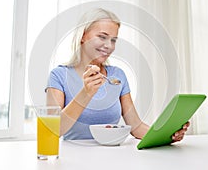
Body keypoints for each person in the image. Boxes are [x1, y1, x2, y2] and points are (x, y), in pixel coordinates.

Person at [45, 8, 189, 141]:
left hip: (114, 156)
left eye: (113, 40)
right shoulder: (59, 76)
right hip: (74, 159)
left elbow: (136, 127)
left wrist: (168, 135)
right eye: (102, 37)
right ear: (83, 36)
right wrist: (86, 93)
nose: (109, 46)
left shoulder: (117, 75)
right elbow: (54, 130)